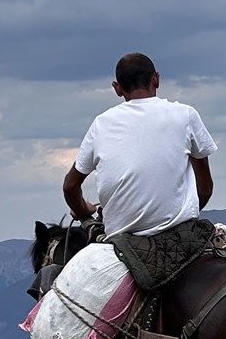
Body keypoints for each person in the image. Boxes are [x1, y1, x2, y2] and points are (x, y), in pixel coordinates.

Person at [63, 53, 217, 239]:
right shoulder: (185, 115)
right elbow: (205, 189)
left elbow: (70, 187)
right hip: (180, 234)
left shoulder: (100, 124)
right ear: (156, 79)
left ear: (117, 88)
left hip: (121, 239)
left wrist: (83, 211)